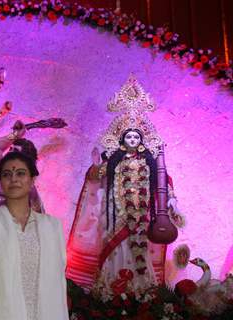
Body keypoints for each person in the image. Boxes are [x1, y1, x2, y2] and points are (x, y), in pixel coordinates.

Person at [66, 76, 182, 299]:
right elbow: (94, 178)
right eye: (127, 136)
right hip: (115, 214)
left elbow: (162, 182)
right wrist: (97, 166)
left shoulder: (149, 161)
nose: (131, 139)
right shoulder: (112, 158)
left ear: (141, 139)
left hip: (141, 215)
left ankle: (141, 293)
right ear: (121, 138)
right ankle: (109, 292)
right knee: (116, 250)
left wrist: (171, 200)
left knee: (140, 250)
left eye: (134, 136)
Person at [0, 149, 69, 320]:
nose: (14, 179)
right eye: (7, 174)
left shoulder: (52, 227)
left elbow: (58, 286)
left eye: (21, 173)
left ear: (32, 180)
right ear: (0, 181)